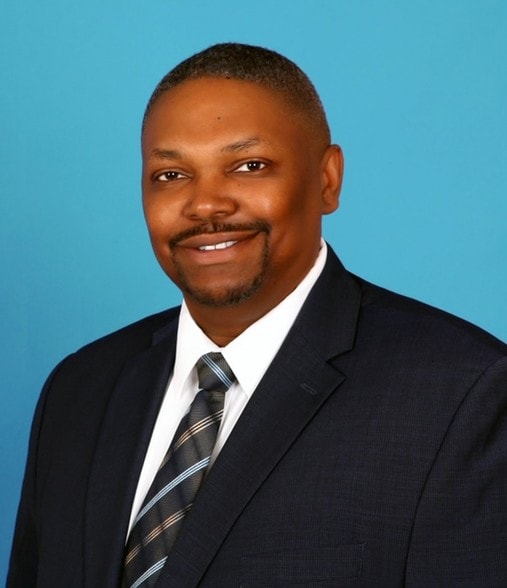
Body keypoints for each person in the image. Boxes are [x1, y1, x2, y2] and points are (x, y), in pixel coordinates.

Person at [8, 43, 507, 587]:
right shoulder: (79, 390)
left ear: (327, 180)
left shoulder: (462, 395)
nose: (206, 205)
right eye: (171, 174)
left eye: (250, 166)